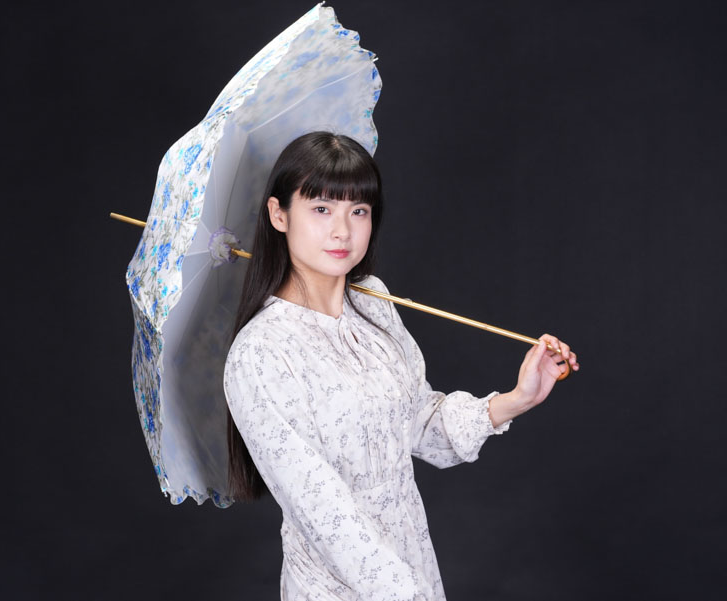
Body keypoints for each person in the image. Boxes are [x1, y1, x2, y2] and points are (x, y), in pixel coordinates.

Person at [222, 131, 579, 601]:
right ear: (279, 214)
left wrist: (518, 399)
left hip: (415, 565)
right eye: (322, 209)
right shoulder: (260, 352)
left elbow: (421, 426)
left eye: (359, 211)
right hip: (340, 588)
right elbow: (321, 511)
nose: (342, 231)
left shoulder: (374, 303)